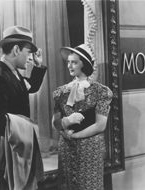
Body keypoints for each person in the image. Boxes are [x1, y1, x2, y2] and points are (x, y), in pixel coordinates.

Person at [0, 25, 47, 189]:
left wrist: (39, 67)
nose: (31, 58)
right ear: (16, 49)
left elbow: (29, 87)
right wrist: (27, 130)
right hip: (5, 150)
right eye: (29, 52)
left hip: (15, 145)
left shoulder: (12, 72)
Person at [52, 44, 113, 190]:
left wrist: (74, 136)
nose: (70, 66)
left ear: (84, 64)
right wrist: (66, 124)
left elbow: (100, 125)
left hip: (89, 148)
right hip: (66, 147)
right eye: (68, 62)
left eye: (74, 62)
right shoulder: (61, 92)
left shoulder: (101, 91)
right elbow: (55, 123)